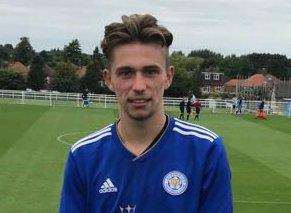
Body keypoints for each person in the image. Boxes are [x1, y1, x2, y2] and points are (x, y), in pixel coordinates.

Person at [60, 14, 232, 213]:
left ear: (168, 76)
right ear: (108, 79)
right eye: (126, 73)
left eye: (150, 72)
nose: (139, 86)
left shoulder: (206, 149)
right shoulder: (83, 156)